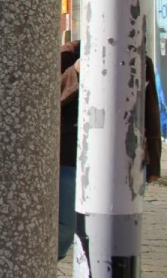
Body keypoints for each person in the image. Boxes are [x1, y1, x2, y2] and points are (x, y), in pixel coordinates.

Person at [57, 40, 162, 260]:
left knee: (113, 225)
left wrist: (153, 161)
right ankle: (48, 267)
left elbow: (149, 111)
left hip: (124, 157)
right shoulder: (69, 54)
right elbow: (47, 99)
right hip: (72, 157)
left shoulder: (140, 59)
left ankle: (100, 269)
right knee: (66, 224)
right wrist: (75, 72)